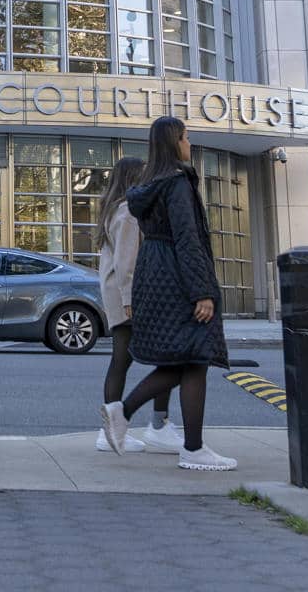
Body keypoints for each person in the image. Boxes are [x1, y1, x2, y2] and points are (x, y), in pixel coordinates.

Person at [98, 116, 236, 471]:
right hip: (177, 277)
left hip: (155, 276)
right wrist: (202, 291)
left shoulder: (150, 188)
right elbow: (188, 238)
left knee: (186, 359)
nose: (191, 144)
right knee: (195, 355)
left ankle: (175, 437)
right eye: (187, 138)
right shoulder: (177, 183)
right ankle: (172, 437)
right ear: (175, 142)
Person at [94, 155, 177, 453]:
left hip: (121, 294)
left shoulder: (115, 208)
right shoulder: (129, 211)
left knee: (124, 359)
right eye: (143, 175)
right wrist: (130, 299)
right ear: (132, 178)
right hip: (128, 296)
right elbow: (126, 261)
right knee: (162, 356)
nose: (148, 180)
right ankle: (153, 426)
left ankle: (130, 428)